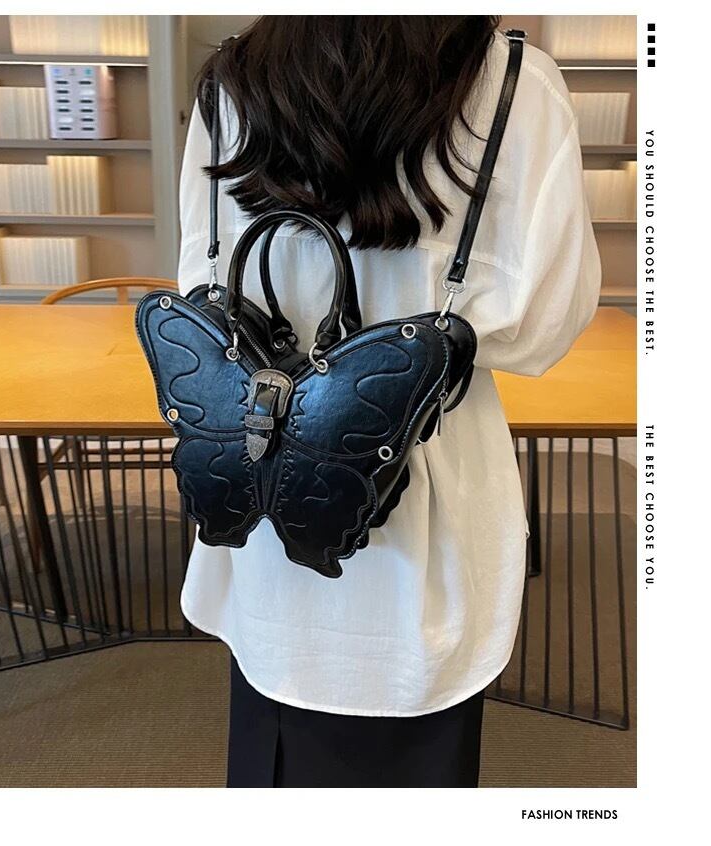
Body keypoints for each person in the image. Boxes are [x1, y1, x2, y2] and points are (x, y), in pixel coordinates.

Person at [176, 16, 601, 787]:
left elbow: (199, 288)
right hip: (434, 501)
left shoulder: (228, 84)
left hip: (265, 482)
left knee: (276, 760)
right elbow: (546, 324)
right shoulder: (517, 87)